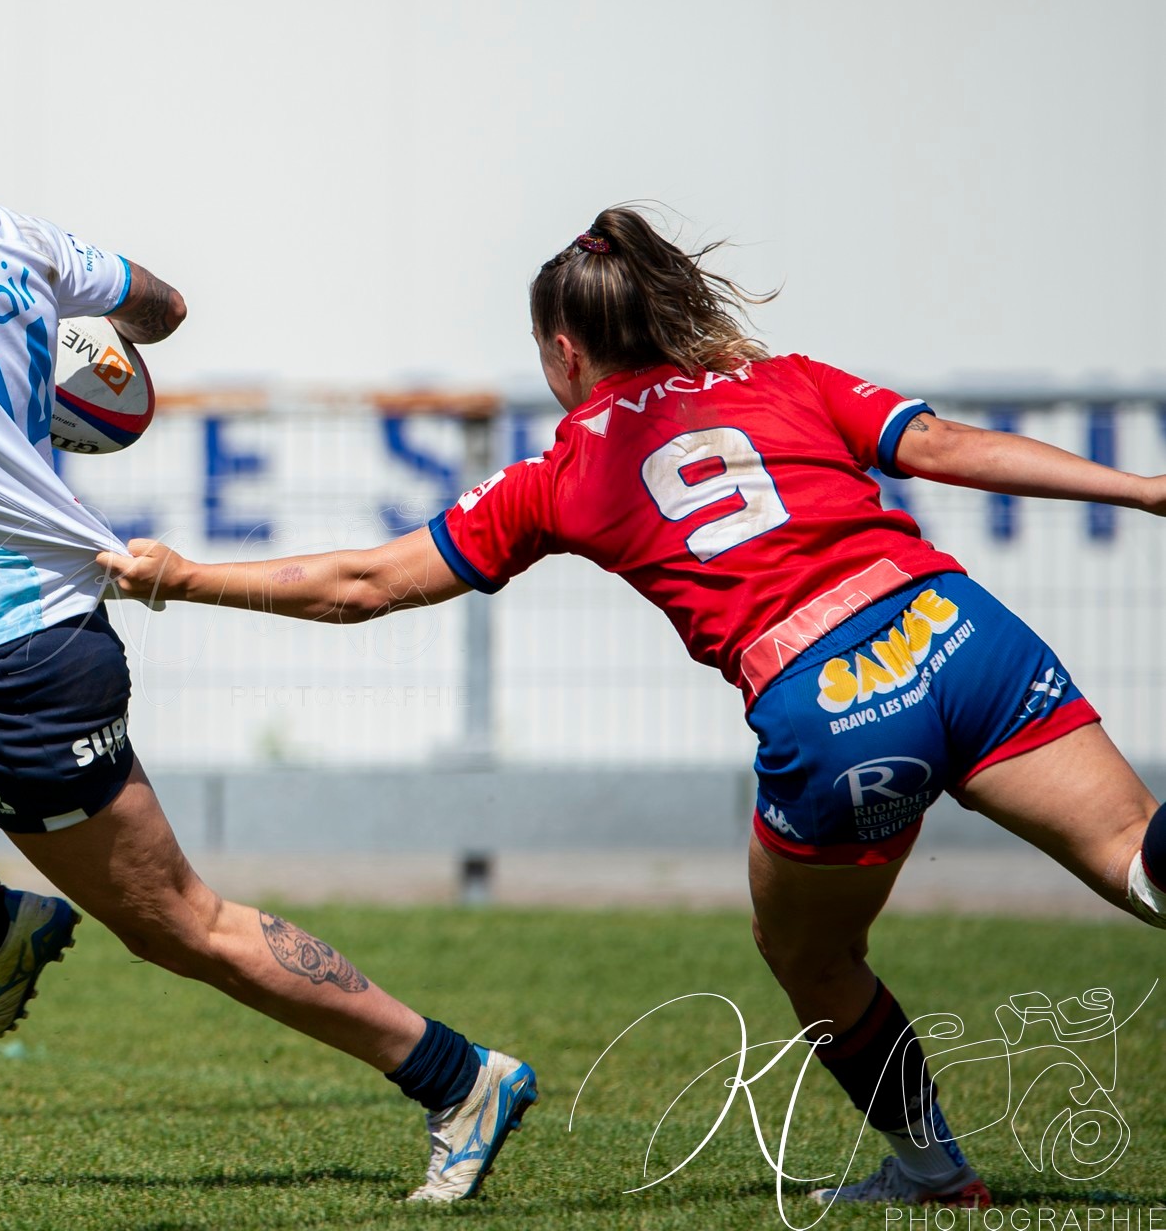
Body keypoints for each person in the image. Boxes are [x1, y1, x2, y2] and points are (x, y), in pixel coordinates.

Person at [99, 205, 1166, 1210]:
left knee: (807, 954)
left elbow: (366, 584)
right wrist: (1147, 489)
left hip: (833, 704)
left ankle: (936, 1175)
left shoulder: (568, 466)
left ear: (564, 351)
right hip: (956, 631)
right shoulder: (783, 380)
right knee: (1135, 859)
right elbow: (942, 446)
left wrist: (182, 578)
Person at [0, 37, 536, 1203]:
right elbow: (161, 307)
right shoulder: (15, 239)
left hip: (20, 664)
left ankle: (453, 1073)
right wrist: (70, 354)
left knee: (179, 926)